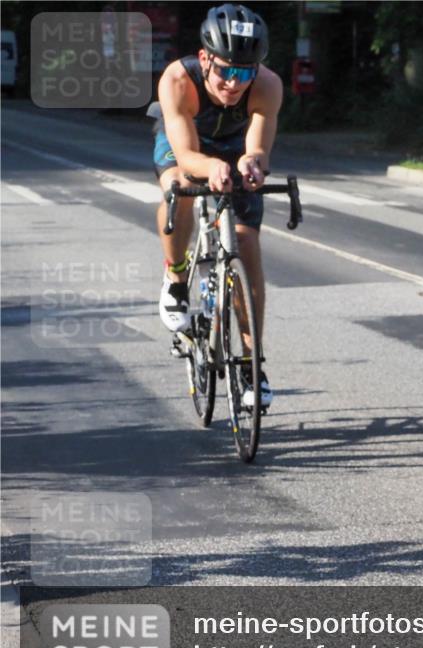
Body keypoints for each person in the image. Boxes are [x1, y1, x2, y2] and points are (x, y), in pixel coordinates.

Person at [152, 3, 282, 408]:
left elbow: (258, 148)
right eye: (225, 70)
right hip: (187, 144)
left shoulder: (268, 85)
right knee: (179, 186)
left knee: (246, 247)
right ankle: (175, 281)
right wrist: (210, 168)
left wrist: (251, 163)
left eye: (244, 73)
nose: (233, 82)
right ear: (205, 58)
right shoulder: (177, 80)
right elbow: (187, 154)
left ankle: (250, 364)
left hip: (233, 143)